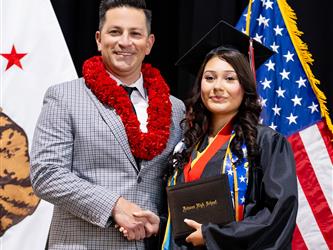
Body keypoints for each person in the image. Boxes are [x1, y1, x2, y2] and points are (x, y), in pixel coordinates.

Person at [29, 0, 184, 249]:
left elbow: (173, 181)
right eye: (115, 32)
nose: (125, 42)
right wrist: (114, 205)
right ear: (99, 39)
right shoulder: (64, 96)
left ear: (149, 43)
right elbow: (46, 174)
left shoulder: (176, 109)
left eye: (135, 33)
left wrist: (162, 220)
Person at [156, 20, 298, 249]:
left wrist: (214, 235)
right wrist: (158, 223)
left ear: (245, 85)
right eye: (209, 78)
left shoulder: (265, 142)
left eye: (230, 78)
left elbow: (278, 214)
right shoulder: (187, 145)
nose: (217, 87)